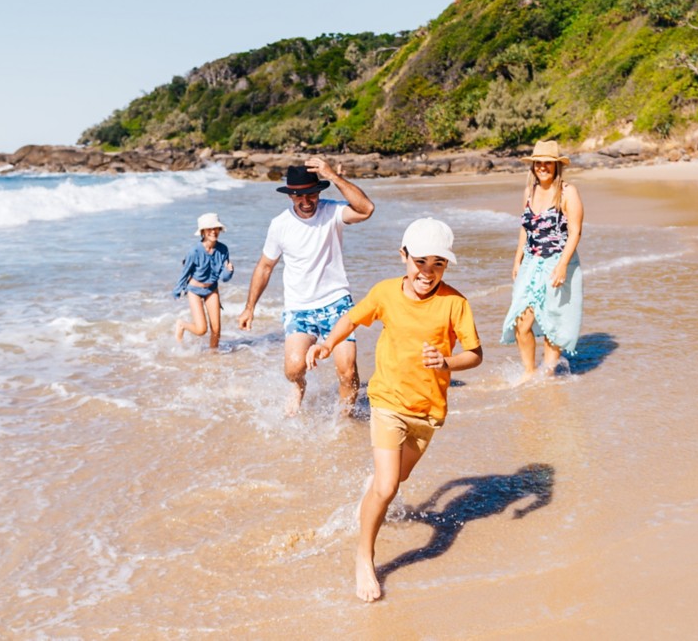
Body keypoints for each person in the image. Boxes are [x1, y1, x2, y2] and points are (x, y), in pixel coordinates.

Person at [306, 217, 483, 602]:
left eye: (438, 263)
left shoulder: (455, 303)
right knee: (386, 486)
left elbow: (475, 354)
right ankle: (365, 556)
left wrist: (448, 362)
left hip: (428, 413)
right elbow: (353, 317)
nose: (428, 272)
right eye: (421, 261)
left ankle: (367, 504)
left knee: (391, 484)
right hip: (387, 403)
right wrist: (326, 343)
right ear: (403, 256)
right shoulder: (386, 293)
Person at [238, 156, 374, 415]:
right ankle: (299, 387)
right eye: (299, 196)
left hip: (336, 302)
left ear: (318, 192)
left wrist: (333, 176)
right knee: (293, 368)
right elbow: (265, 266)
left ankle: (344, 422)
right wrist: (249, 308)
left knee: (347, 371)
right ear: (290, 196)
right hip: (299, 307)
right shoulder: (280, 225)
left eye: (311, 194)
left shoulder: (332, 212)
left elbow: (366, 208)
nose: (306, 200)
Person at [501, 140, 584, 384]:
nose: (543, 167)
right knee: (522, 322)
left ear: (557, 166)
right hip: (531, 262)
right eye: (538, 163)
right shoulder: (529, 192)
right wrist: (517, 259)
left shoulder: (568, 192)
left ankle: (547, 375)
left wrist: (562, 266)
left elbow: (575, 232)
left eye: (548, 163)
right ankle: (529, 372)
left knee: (553, 319)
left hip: (559, 261)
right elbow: (525, 228)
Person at [174, 213, 234, 349]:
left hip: (211, 289)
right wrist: (178, 289)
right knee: (201, 330)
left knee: (216, 330)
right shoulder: (194, 251)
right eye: (209, 228)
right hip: (194, 290)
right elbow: (185, 272)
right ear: (202, 232)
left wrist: (229, 271)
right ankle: (181, 324)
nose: (213, 232)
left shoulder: (223, 250)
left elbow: (224, 278)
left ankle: (213, 356)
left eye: (216, 228)